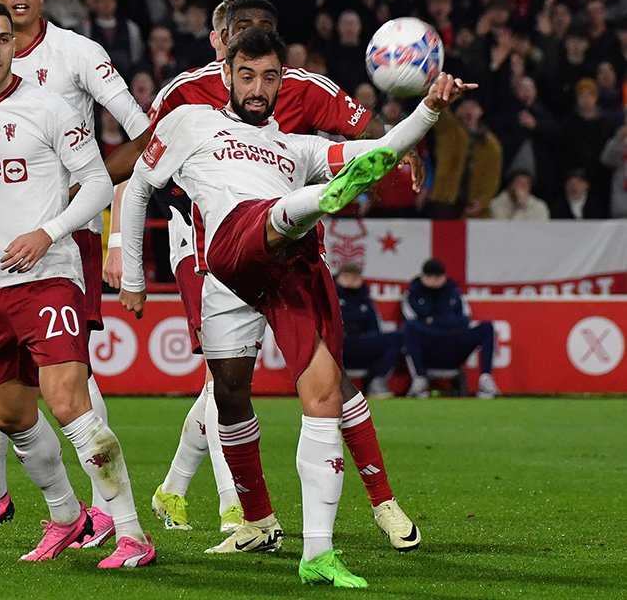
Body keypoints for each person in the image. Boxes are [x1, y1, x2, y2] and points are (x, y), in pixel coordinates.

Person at [119, 28, 472, 585]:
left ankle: (318, 553)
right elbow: (138, 187)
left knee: (324, 393)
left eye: (270, 77)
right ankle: (310, 205)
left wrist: (428, 110)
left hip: (282, 267)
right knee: (229, 391)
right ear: (227, 75)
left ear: (281, 81)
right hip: (229, 259)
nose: (258, 88)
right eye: (247, 76)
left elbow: (378, 151)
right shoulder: (191, 122)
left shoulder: (295, 146)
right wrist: (133, 274)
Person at [0, 0, 151, 548]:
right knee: (6, 398)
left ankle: (123, 524)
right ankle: (44, 506)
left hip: (59, 246)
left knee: (67, 394)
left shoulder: (69, 67)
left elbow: (135, 140)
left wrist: (104, 231)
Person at [401, 258, 501, 399]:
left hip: (454, 345)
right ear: (422, 276)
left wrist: (432, 320)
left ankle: (486, 380)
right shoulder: (412, 294)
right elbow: (412, 321)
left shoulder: (454, 291)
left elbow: (465, 320)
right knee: (410, 328)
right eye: (429, 276)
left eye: (438, 276)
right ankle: (419, 379)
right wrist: (448, 322)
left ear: (444, 276)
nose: (434, 280)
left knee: (486, 327)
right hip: (429, 348)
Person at [335, 263, 402, 399]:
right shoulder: (330, 297)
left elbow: (375, 327)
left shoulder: (366, 300)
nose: (351, 280)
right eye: (346, 276)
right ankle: (332, 386)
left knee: (395, 337)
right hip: (340, 344)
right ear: (339, 278)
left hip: (362, 343)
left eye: (355, 277)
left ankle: (377, 381)